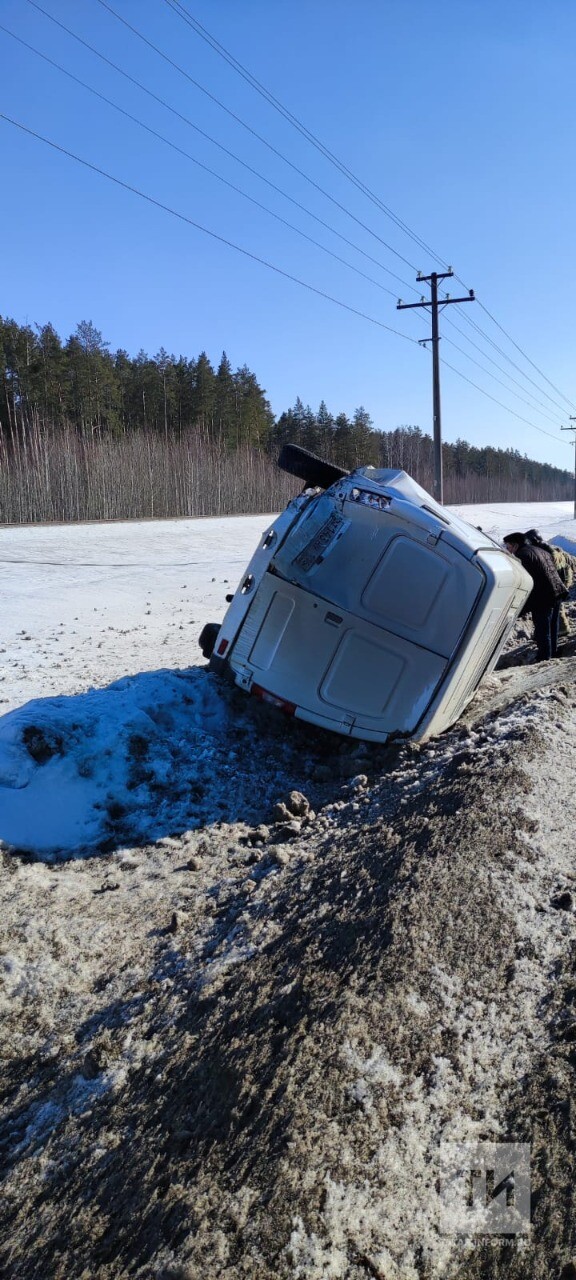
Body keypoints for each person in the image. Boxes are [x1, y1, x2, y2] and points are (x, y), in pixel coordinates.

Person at [503, 531, 568, 661]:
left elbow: (525, 582)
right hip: (557, 591)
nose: (508, 550)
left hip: (544, 596)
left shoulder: (521, 556)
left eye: (508, 546)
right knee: (552, 626)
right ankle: (552, 652)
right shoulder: (539, 550)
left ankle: (544, 658)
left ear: (515, 545)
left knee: (542, 629)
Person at [524, 529, 576, 637]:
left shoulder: (550, 551)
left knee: (554, 606)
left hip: (561, 580)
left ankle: (561, 630)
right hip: (557, 579)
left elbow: (555, 561)